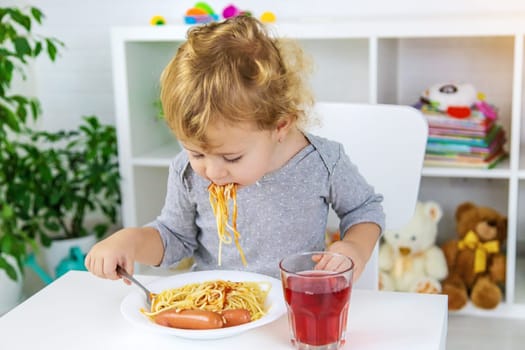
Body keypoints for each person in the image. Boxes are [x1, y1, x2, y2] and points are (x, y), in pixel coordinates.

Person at [84, 15, 385, 282]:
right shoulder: (187, 171)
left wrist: (354, 247)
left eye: (232, 157)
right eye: (196, 152)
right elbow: (175, 237)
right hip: (213, 303)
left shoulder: (322, 162)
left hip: (293, 304)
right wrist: (131, 241)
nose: (212, 172)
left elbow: (364, 209)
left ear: (280, 126)